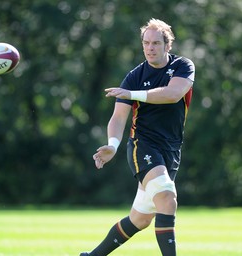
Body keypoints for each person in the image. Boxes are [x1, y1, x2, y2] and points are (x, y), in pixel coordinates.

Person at [80, 18, 195, 256]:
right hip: (142, 146)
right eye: (146, 43)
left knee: (140, 219)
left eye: (155, 43)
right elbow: (119, 117)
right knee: (167, 198)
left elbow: (173, 94)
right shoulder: (134, 76)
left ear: (167, 45)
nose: (150, 48)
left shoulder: (183, 66)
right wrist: (112, 145)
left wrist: (133, 94)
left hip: (171, 150)